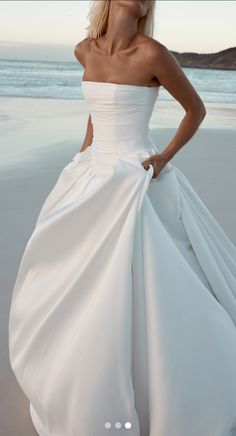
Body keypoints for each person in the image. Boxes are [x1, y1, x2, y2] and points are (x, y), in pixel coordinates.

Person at [8, 1, 236, 436]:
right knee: (70, 273)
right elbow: (95, 114)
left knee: (149, 278)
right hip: (92, 173)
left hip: (138, 175)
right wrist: (80, 160)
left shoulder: (153, 53)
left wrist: (164, 158)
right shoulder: (83, 50)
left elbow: (196, 110)